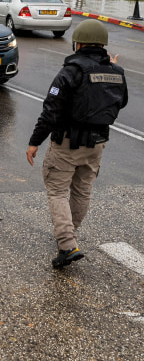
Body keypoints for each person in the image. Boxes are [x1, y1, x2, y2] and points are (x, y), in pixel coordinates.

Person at [26, 19, 127, 269]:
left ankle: (67, 245)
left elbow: (51, 111)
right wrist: (113, 71)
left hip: (67, 144)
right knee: (82, 191)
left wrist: (34, 142)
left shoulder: (70, 71)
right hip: (98, 144)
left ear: (78, 43)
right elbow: (120, 103)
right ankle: (69, 236)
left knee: (58, 191)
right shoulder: (117, 72)